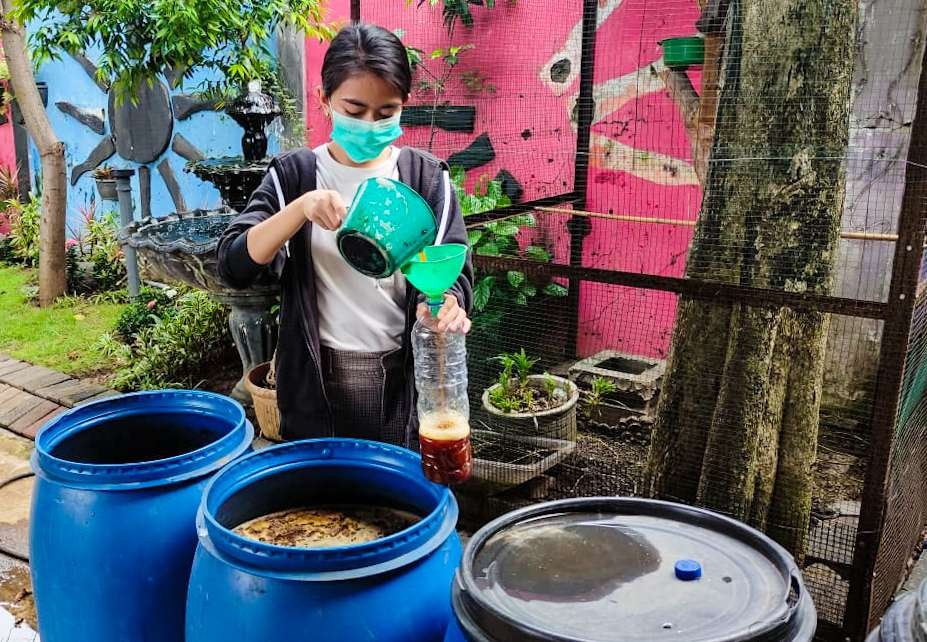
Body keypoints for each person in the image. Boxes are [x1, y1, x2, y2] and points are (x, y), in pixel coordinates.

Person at [217, 23, 473, 447]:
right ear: (324, 100)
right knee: (321, 507)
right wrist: (300, 209)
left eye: (386, 112)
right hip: (315, 380)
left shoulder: (425, 180)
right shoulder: (296, 176)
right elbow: (234, 265)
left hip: (401, 382)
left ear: (404, 105)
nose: (370, 125)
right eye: (354, 111)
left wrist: (448, 305)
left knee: (396, 503)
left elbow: (454, 274)